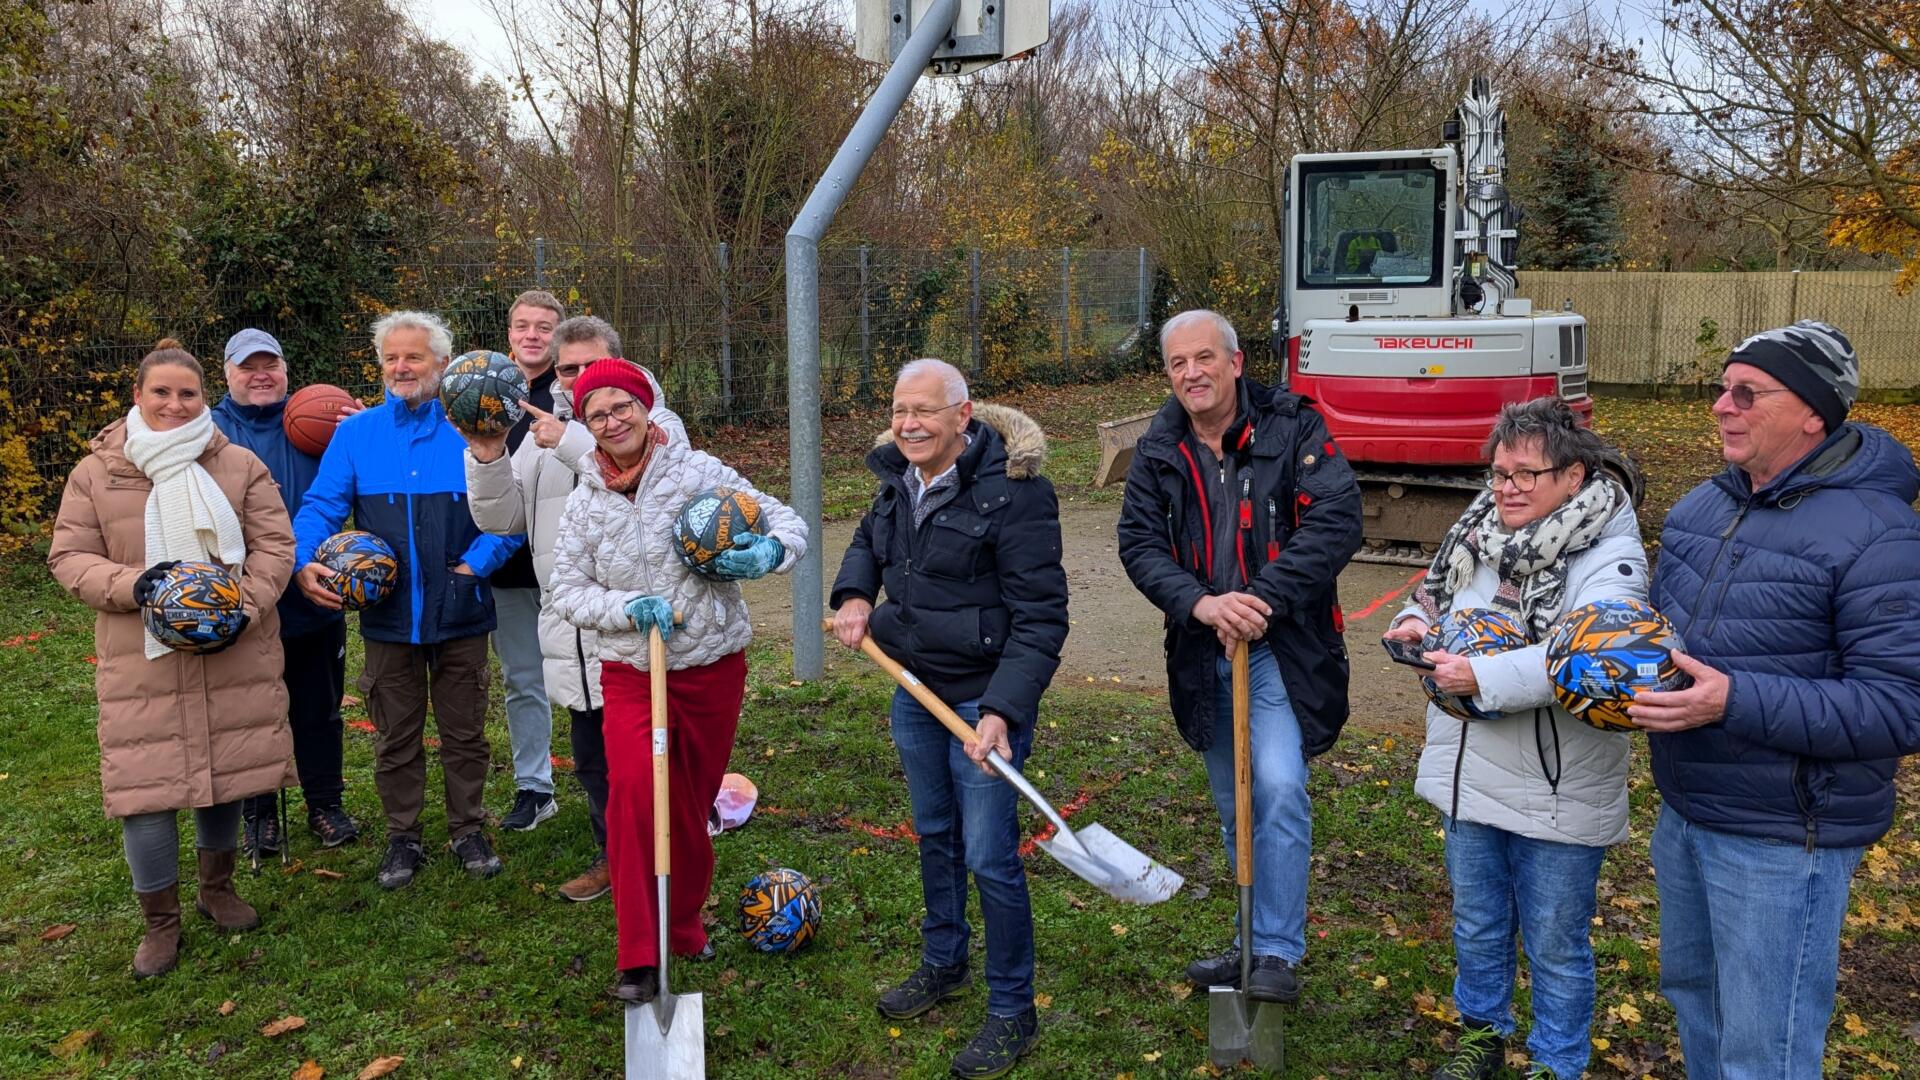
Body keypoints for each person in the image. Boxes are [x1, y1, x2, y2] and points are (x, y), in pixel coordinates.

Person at [1626, 322, 1920, 1080]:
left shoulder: (1879, 533)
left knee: (1766, 1051)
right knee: (1696, 1003)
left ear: (1813, 414)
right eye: (1721, 389)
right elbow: (1664, 636)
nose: (1722, 406)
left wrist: (1734, 701)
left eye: (1746, 392)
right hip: (1687, 811)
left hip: (1785, 839)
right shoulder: (1702, 508)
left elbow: (1898, 706)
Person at [1383, 397, 1646, 1080]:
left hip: (1557, 784)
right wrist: (1417, 622)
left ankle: (1556, 1064)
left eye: (1527, 474)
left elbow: (1597, 658)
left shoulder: (1610, 553)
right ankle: (1482, 1038)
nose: (1507, 488)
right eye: (1499, 472)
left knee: (1555, 943)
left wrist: (1482, 675)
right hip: (1471, 775)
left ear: (1575, 475)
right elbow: (1442, 598)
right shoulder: (1483, 530)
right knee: (1477, 924)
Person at [831, 358, 1069, 1079]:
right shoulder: (895, 481)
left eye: (924, 412)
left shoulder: (1017, 496)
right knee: (934, 834)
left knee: (989, 854)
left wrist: (1001, 711)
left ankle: (1011, 1009)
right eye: (900, 409)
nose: (908, 424)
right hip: (914, 686)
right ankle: (944, 961)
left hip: (979, 701)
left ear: (963, 416)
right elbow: (868, 546)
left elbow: (1041, 617)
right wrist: (854, 595)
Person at [1116, 309, 1363, 1005]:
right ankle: (1250, 941)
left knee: (1279, 787)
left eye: (1204, 358)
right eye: (1177, 364)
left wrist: (1256, 603)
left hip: (1281, 648)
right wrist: (1203, 605)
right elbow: (1138, 545)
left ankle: (1279, 952)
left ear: (1235, 361)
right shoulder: (1160, 445)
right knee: (1235, 805)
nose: (1192, 373)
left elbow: (1337, 521)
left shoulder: (1295, 427)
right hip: (1203, 652)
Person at [548, 359, 806, 1004]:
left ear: (644, 405)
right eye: (596, 414)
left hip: (711, 668)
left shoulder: (700, 472)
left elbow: (788, 522)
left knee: (688, 805)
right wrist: (625, 608)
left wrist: (770, 552)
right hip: (634, 671)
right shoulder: (584, 501)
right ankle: (639, 956)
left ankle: (683, 924)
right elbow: (566, 590)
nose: (612, 422)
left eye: (621, 407)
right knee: (636, 793)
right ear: (585, 424)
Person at [48, 339, 297, 978]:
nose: (174, 404)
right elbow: (70, 556)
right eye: (160, 392)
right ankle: (160, 922)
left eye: (187, 394)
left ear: (202, 398)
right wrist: (139, 588)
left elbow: (275, 545)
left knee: (223, 772)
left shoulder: (238, 465)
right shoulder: (98, 472)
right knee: (147, 790)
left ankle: (217, 889)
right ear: (138, 396)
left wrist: (241, 603)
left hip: (231, 648)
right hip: (143, 658)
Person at [292, 310, 523, 890]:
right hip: (388, 616)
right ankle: (404, 837)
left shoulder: (477, 429)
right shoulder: (356, 434)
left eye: (413, 357)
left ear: (442, 364)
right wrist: (302, 560)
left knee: (465, 730)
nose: (401, 367)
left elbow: (512, 513)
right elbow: (320, 507)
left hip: (463, 609)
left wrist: (479, 563)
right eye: (391, 357)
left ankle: (468, 829)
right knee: (396, 734)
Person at [464, 318, 685, 902]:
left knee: (649, 760)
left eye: (591, 365)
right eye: (567, 369)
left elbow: (635, 476)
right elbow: (503, 520)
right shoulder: (540, 435)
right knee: (592, 757)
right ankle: (613, 857)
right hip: (573, 625)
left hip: (636, 627)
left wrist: (566, 439)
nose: (580, 379)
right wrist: (487, 457)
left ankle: (668, 865)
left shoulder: (657, 421)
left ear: (618, 362)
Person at [211, 327, 363, 857]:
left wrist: (362, 429)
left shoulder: (322, 420)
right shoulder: (208, 431)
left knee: (318, 705)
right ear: (226, 373)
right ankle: (258, 816)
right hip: (245, 593)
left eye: (269, 364)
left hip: (313, 590)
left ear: (285, 371)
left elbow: (362, 470)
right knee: (251, 709)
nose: (260, 375)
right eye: (247, 366)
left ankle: (325, 805)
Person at [492, 289, 566, 832]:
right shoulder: (483, 387)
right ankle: (535, 787)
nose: (533, 335)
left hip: (574, 569)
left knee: (608, 678)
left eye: (544, 326)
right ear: (510, 334)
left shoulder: (576, 389)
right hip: (508, 565)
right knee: (524, 679)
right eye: (523, 326)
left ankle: (625, 781)